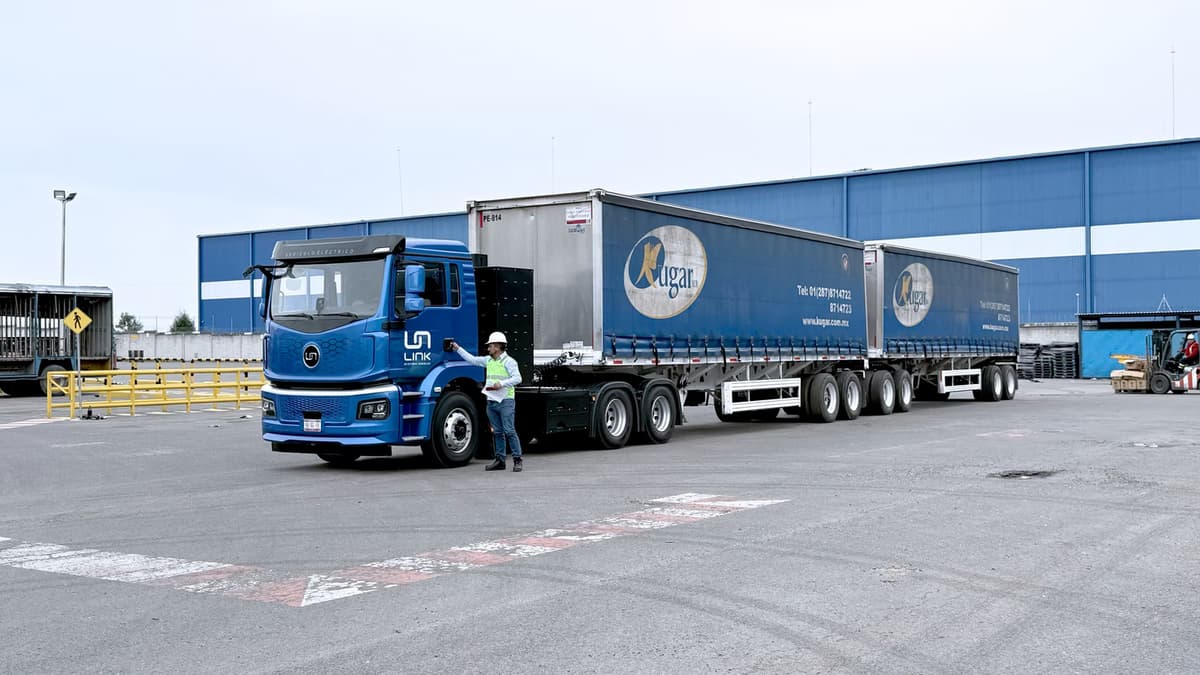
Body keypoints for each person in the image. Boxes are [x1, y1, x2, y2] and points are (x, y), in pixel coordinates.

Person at [450, 332, 523, 472]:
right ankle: (500, 460)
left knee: (509, 430)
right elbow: (471, 360)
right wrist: (458, 348)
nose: (488, 348)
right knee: (497, 432)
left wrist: (501, 383)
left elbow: (518, 378)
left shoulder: (509, 362)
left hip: (506, 400)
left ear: (497, 347)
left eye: (490, 346)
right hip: (492, 401)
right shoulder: (488, 360)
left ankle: (517, 459)